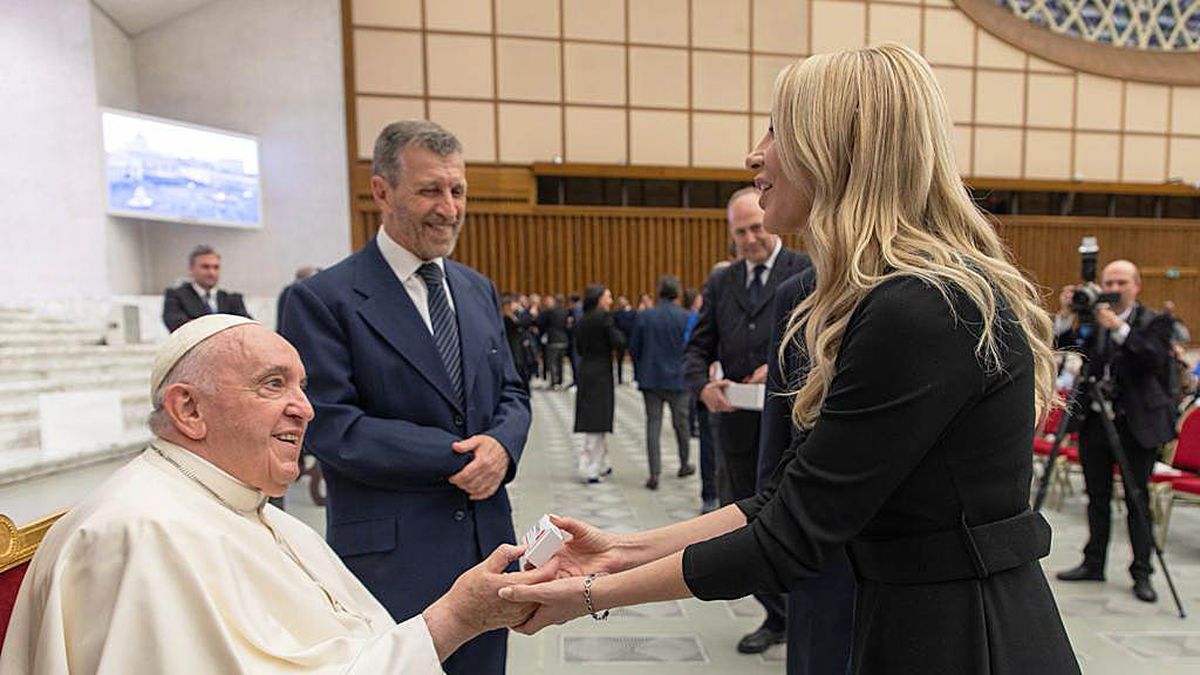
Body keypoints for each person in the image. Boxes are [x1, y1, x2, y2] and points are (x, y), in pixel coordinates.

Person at [499, 44, 1079, 674]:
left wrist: (587, 594)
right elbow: (782, 496)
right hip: (914, 619)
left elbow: (791, 536)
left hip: (963, 638)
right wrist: (619, 549)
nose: (755, 153)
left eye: (776, 128)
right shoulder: (888, 295)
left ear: (835, 147)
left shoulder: (921, 306)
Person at [0, 315, 555, 674]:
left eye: (302, 386)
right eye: (272, 384)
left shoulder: (258, 512)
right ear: (188, 409)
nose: (306, 409)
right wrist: (454, 619)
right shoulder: (140, 536)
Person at [279, 120, 530, 675]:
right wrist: (465, 455)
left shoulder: (476, 288)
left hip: (488, 549)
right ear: (381, 192)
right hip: (391, 561)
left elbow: (512, 390)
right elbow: (334, 425)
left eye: (457, 190)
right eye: (429, 190)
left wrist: (504, 448)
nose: (449, 207)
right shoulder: (322, 300)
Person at [682, 186, 811, 653]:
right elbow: (697, 348)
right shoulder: (722, 282)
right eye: (741, 233)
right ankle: (778, 616)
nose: (751, 239)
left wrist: (778, 370)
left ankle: (804, 617)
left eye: (756, 227)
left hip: (791, 425)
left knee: (792, 522)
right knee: (741, 524)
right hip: (735, 427)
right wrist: (702, 386)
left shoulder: (807, 271)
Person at [1053, 260, 1176, 603]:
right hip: (1095, 421)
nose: (1114, 288)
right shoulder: (1093, 320)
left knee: (1136, 499)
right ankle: (1093, 562)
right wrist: (1066, 316)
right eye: (1109, 281)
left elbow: (1153, 358)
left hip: (1135, 424)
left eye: (1122, 282)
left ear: (1136, 286)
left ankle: (1142, 572)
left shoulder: (1153, 321)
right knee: (1097, 496)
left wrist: (1119, 330)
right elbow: (1064, 346)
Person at [756, 266, 856, 674]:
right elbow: (779, 425)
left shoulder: (923, 295)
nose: (763, 199)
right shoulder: (797, 291)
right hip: (811, 533)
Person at [630, 275, 695, 490]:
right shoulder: (687, 317)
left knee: (653, 425)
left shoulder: (645, 316)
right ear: (678, 294)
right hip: (679, 380)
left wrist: (641, 372)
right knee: (681, 424)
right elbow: (693, 349)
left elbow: (634, 348)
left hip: (651, 379)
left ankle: (654, 473)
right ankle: (684, 463)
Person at [572, 284, 625, 482]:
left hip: (585, 371)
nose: (611, 301)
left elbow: (578, 347)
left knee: (594, 418)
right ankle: (589, 467)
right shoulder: (604, 318)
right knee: (597, 419)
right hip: (601, 373)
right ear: (599, 299)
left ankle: (603, 462)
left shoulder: (581, 320)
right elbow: (618, 342)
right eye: (608, 297)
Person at [162, 244, 252, 331]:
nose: (211, 272)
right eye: (205, 267)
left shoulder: (233, 299)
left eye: (216, 267)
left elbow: (249, 327)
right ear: (191, 269)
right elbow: (177, 326)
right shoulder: (176, 296)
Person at [539, 294, 569, 389]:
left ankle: (554, 382)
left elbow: (541, 323)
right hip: (564, 339)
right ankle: (560, 381)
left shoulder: (550, 312)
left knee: (553, 362)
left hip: (552, 339)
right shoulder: (566, 312)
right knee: (560, 362)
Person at [502, 293, 532, 386]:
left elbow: (523, 324)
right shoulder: (504, 318)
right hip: (511, 350)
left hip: (518, 351)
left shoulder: (517, 315)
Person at [612, 295, 636, 385]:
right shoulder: (616, 314)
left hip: (631, 338)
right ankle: (619, 378)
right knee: (619, 359)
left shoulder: (633, 313)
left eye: (622, 301)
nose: (621, 303)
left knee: (634, 359)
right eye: (619, 301)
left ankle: (635, 378)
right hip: (621, 339)